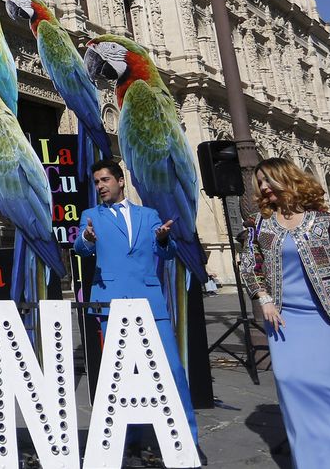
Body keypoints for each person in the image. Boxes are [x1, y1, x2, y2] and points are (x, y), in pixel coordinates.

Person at [246, 157, 330, 468]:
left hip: (324, 318)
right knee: (290, 383)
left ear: (289, 179)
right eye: (260, 182)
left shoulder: (323, 222)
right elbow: (249, 266)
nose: (265, 187)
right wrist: (264, 297)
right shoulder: (260, 225)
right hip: (283, 320)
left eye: (270, 179)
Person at [74, 158, 200, 450]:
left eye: (105, 180)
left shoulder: (148, 214)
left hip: (150, 301)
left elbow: (166, 253)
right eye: (96, 182)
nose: (100, 186)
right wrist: (87, 238)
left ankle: (187, 440)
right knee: (121, 374)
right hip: (111, 301)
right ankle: (125, 437)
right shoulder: (92, 215)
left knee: (172, 370)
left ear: (120, 181)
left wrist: (165, 239)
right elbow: (81, 248)